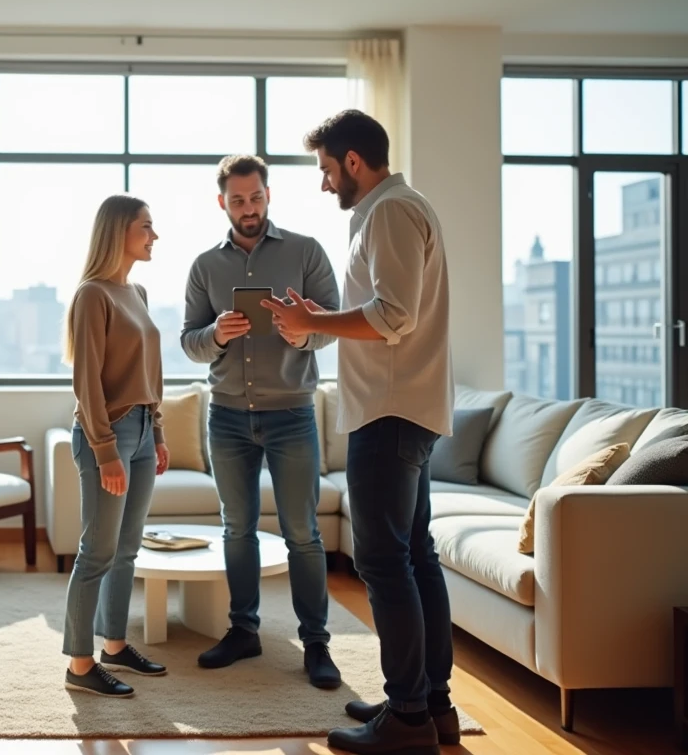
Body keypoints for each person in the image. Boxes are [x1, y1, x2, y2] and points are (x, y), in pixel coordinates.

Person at [263, 109, 457, 755]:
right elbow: (379, 315)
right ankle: (430, 704)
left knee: (383, 561)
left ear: (352, 161)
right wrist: (320, 320)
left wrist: (317, 324)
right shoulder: (390, 211)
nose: (323, 184)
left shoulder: (390, 212)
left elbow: (392, 317)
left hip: (390, 412)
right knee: (414, 555)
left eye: (324, 169)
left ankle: (407, 718)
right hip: (404, 408)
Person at [180, 154, 343, 690]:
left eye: (255, 198)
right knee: (237, 528)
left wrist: (303, 334)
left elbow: (331, 326)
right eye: (236, 200)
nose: (247, 208)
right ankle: (243, 630)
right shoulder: (206, 266)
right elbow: (189, 343)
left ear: (268, 196)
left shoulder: (306, 252)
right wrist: (218, 335)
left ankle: (316, 643)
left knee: (303, 532)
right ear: (222, 201)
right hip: (226, 416)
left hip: (292, 414)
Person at [62, 193, 172, 698]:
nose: (154, 236)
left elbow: (152, 371)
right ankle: (80, 667)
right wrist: (106, 450)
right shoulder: (93, 295)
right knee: (97, 552)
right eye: (146, 227)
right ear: (118, 233)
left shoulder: (139, 293)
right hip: (109, 432)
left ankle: (114, 645)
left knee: (127, 550)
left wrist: (160, 432)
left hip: (144, 431)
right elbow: (86, 383)